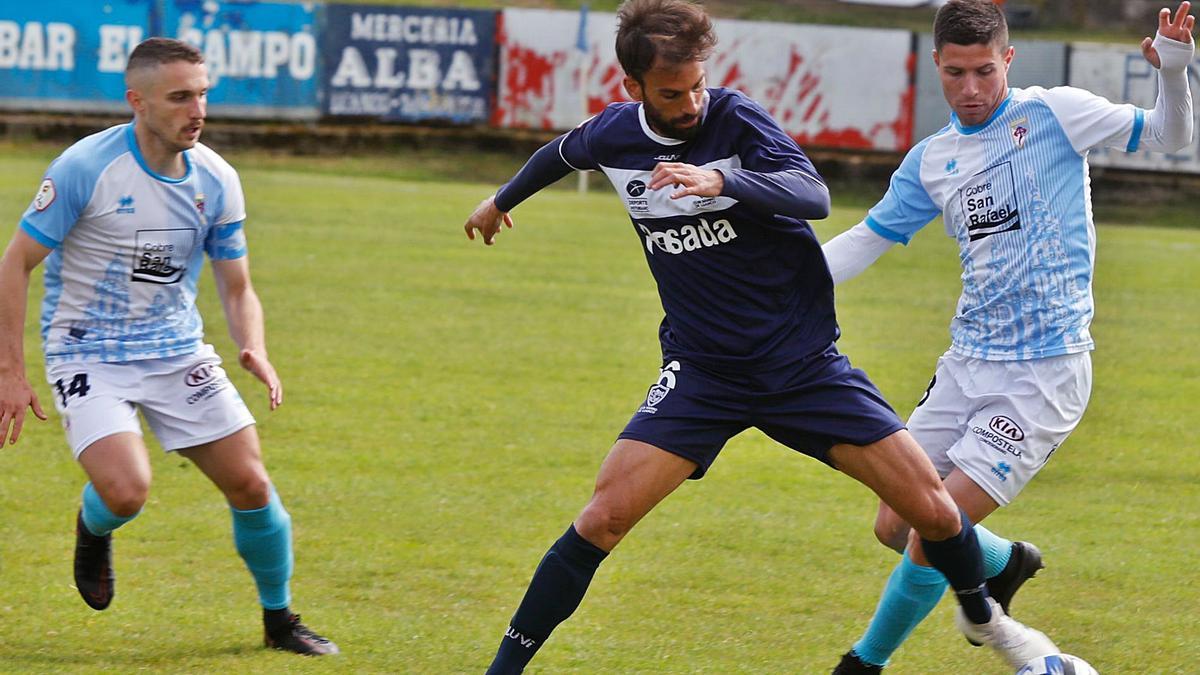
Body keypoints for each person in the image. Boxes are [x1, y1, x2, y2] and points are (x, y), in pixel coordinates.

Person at [464, 1, 1060, 672]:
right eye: (671, 93)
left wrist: (722, 177)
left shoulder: (734, 118)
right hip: (704, 373)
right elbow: (561, 152)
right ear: (633, 89)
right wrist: (500, 200)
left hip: (801, 366)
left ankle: (986, 617)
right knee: (603, 516)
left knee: (932, 509)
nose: (690, 102)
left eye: (697, 83)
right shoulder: (615, 135)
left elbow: (812, 194)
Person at [824, 1, 1194, 672]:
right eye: (956, 74)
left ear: (1009, 61)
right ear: (936, 64)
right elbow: (865, 240)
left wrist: (1174, 69)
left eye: (985, 72)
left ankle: (865, 662)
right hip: (965, 363)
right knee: (894, 524)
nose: (970, 90)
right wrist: (774, 287)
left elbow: (1172, 135)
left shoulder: (1054, 113)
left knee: (930, 534)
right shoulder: (932, 159)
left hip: (1042, 375)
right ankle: (1005, 560)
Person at [0, 37, 337, 656]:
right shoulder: (85, 167)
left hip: (176, 351)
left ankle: (280, 620)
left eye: (203, 94)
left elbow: (238, 287)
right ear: (138, 101)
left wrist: (252, 345)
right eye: (181, 97)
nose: (198, 109)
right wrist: (9, 371)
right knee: (127, 491)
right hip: (86, 351)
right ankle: (93, 524)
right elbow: (15, 262)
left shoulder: (217, 179)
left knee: (253, 487)